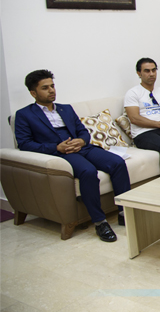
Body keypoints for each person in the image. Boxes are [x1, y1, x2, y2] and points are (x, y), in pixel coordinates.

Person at [14, 70, 130, 242]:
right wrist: (56, 147)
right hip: (61, 153)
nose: (51, 90)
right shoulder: (24, 115)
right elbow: (24, 144)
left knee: (117, 163)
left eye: (52, 86)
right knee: (88, 171)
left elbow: (83, 131)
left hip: (82, 147)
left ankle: (123, 213)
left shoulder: (65, 108)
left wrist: (82, 141)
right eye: (45, 88)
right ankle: (100, 222)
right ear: (33, 93)